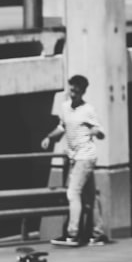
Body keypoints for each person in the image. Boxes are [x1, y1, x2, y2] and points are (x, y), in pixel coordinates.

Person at [41, 74, 111, 247]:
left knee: (72, 193)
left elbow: (99, 130)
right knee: (90, 197)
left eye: (77, 89)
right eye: (71, 87)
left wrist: (96, 132)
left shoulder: (88, 110)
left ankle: (72, 234)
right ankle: (98, 234)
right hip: (75, 158)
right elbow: (62, 127)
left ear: (83, 91)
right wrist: (49, 138)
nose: (73, 91)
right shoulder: (65, 107)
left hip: (85, 157)